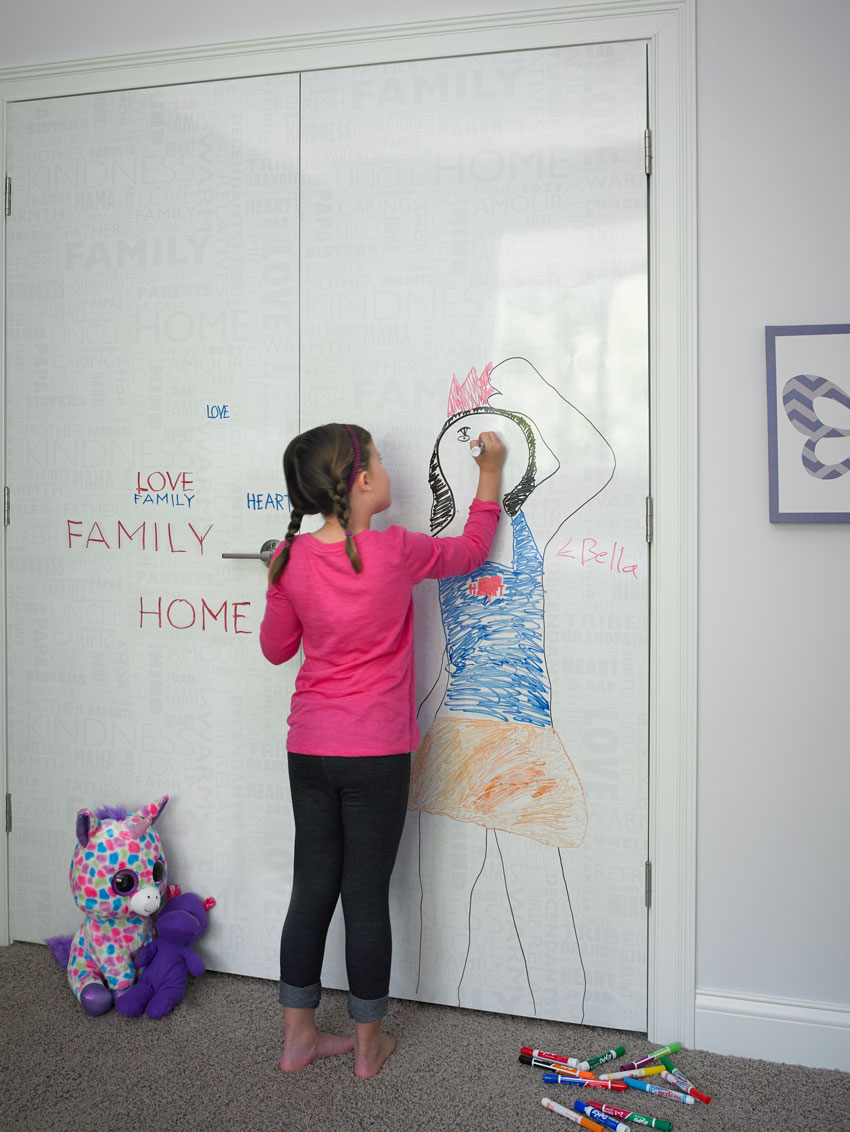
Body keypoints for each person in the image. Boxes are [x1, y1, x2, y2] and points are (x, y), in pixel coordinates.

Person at [259, 421, 505, 1077]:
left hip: (310, 751)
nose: (388, 470)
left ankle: (298, 1041)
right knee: (366, 898)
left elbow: (277, 648)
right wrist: (490, 471)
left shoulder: (291, 561)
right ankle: (369, 1051)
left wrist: (275, 582)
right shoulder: (397, 551)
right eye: (380, 462)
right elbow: (475, 550)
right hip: (376, 754)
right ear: (363, 482)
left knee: (311, 891)